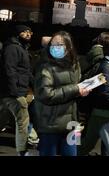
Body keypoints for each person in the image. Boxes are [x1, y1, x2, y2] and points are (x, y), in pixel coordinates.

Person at [33, 31, 90, 156]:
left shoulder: (75, 65)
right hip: (50, 124)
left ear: (69, 47)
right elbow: (45, 95)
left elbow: (74, 90)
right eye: (52, 44)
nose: (55, 47)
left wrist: (81, 92)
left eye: (59, 44)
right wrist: (75, 89)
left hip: (72, 124)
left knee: (72, 154)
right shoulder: (45, 67)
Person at [79, 37, 109, 156]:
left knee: (88, 144)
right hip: (106, 112)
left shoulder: (106, 64)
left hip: (100, 111)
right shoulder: (108, 66)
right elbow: (104, 89)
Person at [0, 25, 34, 156]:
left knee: (4, 119)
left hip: (11, 92)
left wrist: (35, 85)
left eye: (30, 32)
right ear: (18, 33)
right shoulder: (13, 48)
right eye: (25, 32)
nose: (29, 34)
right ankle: (22, 151)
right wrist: (16, 93)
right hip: (14, 93)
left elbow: (26, 72)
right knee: (22, 122)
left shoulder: (20, 48)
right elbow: (10, 71)